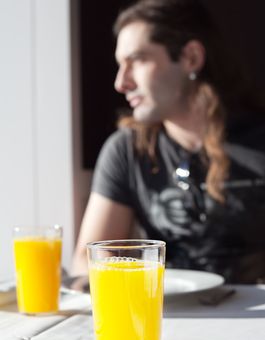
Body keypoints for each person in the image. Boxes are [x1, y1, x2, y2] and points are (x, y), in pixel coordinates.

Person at [71, 0, 265, 284]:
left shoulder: (257, 142)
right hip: (168, 316)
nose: (121, 82)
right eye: (119, 65)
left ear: (191, 58)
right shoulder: (128, 150)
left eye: (136, 60)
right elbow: (88, 265)